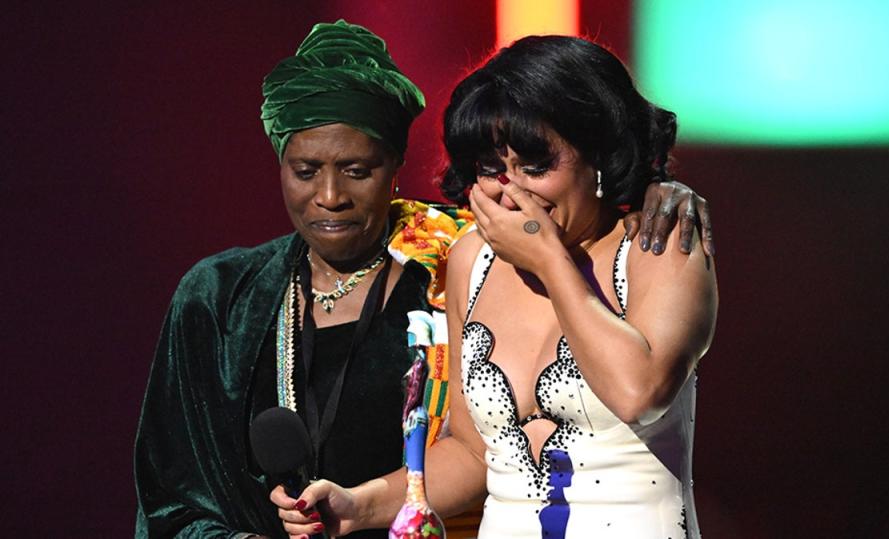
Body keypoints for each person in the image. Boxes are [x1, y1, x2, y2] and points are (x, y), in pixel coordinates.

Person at [135, 21, 714, 538]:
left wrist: (553, 261)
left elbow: (640, 394)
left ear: (599, 155)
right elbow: (468, 452)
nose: (513, 193)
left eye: (536, 167)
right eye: (492, 170)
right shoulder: (470, 260)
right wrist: (357, 505)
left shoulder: (661, 243)